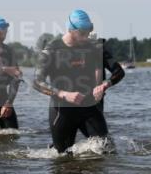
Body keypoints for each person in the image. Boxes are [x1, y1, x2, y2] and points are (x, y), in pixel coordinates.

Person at [32, 10, 123, 153]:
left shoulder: (95, 47)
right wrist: (63, 94)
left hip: (89, 108)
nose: (87, 35)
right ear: (71, 30)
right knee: (62, 157)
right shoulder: (52, 50)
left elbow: (119, 72)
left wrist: (105, 85)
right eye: (83, 32)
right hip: (62, 111)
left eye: (89, 31)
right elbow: (37, 81)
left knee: (108, 150)